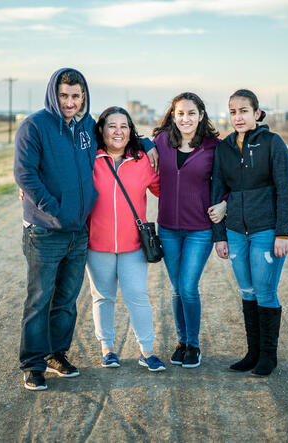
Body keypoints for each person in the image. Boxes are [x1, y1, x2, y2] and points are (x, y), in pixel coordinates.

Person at [14, 67, 159, 392]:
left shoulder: (85, 128)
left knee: (66, 299)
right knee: (40, 298)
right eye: (64, 95)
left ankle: (56, 355)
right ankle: (33, 364)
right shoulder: (34, 126)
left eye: (75, 96)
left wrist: (147, 140)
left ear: (84, 97)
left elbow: (118, 134)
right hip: (45, 230)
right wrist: (56, 210)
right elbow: (25, 175)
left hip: (79, 233)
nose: (69, 102)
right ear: (54, 93)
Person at [209, 89, 288, 377]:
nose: (238, 116)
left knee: (265, 291)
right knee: (247, 291)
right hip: (235, 232)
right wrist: (219, 235)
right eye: (233, 111)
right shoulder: (224, 148)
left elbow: (286, 190)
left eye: (244, 111)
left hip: (265, 231)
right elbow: (217, 191)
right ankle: (253, 353)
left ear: (257, 114)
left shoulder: (272, 143)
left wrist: (283, 233)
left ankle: (268, 356)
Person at [86, 106, 166, 371]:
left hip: (134, 245)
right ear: (101, 130)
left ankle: (147, 350)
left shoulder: (143, 160)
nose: (118, 131)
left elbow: (166, 189)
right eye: (112, 126)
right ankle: (107, 349)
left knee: (138, 295)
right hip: (98, 245)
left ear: (131, 131)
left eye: (124, 126)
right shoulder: (90, 159)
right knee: (103, 297)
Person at [152, 92, 223, 368]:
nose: (186, 118)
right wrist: (147, 143)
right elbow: (136, 142)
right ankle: (181, 342)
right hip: (168, 228)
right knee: (176, 289)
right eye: (180, 113)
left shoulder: (214, 147)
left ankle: (193, 345)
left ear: (201, 115)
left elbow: (229, 181)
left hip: (199, 229)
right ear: (173, 115)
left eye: (191, 113)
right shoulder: (161, 142)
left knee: (188, 286)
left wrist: (225, 205)